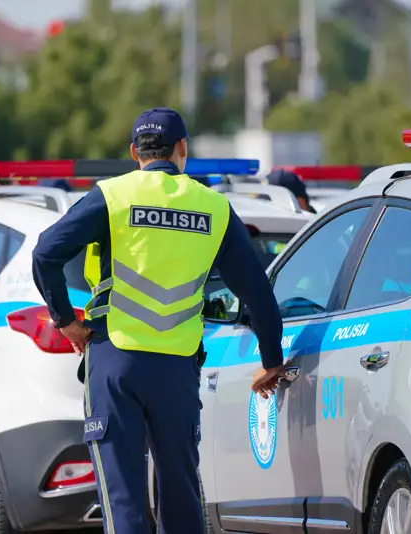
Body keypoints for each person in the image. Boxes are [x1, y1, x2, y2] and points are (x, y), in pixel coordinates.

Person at [31, 107, 286, 534]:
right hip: (176, 366)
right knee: (181, 492)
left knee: (125, 498)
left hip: (116, 360)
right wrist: (271, 358)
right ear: (182, 149)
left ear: (135, 152)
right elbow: (257, 291)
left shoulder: (112, 196)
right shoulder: (213, 208)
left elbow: (45, 253)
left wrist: (65, 321)